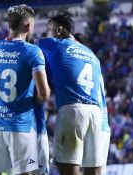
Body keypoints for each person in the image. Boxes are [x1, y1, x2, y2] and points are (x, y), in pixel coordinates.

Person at [37, 14, 110, 175]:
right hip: (96, 114)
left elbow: (27, 47)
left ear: (59, 31)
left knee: (69, 169)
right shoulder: (92, 55)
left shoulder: (53, 44)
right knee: (94, 171)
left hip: (73, 111)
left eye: (48, 30)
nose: (45, 35)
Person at [0, 4, 50, 175]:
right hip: (20, 125)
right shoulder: (33, 51)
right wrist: (36, 100)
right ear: (28, 26)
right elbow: (44, 93)